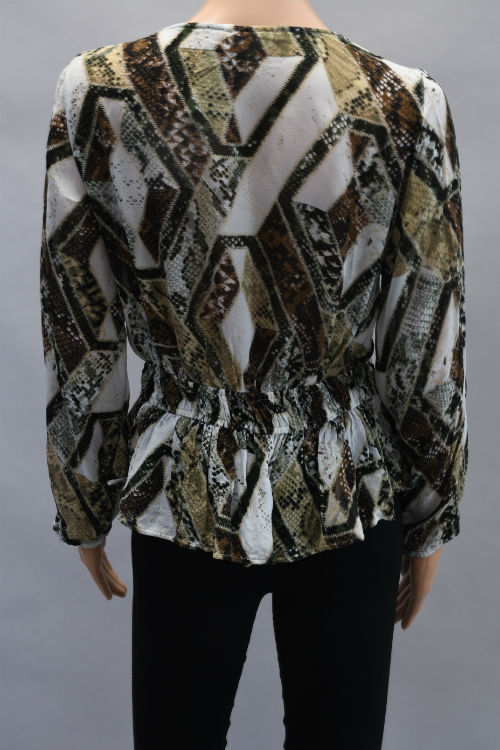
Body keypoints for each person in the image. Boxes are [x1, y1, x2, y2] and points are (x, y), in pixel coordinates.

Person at [39, 0, 468, 747]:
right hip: (347, 489)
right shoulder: (402, 101)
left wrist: (86, 493)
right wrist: (432, 508)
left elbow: (78, 321)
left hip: (186, 487)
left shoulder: (100, 89)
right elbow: (425, 332)